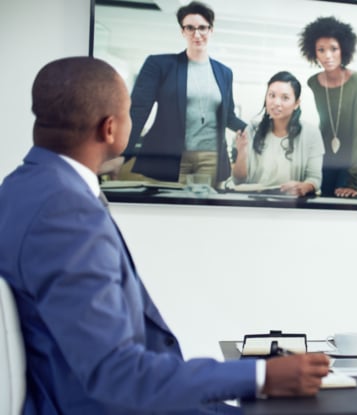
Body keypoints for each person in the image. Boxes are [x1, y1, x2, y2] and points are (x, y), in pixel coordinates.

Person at [0, 56, 329, 414]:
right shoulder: (64, 210)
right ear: (111, 128)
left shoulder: (23, 187)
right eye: (130, 112)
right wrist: (262, 375)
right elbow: (117, 374)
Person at [120, 1, 246, 187]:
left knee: (204, 212)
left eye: (202, 28)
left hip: (211, 156)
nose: (197, 34)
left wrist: (256, 129)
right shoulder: (160, 65)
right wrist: (122, 153)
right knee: (168, 211)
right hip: (170, 156)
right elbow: (138, 110)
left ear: (211, 30)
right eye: (190, 28)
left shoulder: (224, 72)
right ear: (182, 31)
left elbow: (228, 116)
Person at [299, 16, 357, 198]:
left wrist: (353, 181)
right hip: (327, 161)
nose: (328, 55)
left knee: (347, 206)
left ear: (343, 50)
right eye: (321, 50)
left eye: (334, 49)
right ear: (314, 53)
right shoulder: (312, 83)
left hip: (356, 162)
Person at [230, 71, 323, 196]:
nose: (276, 102)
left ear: (296, 104)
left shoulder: (311, 134)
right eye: (272, 95)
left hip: (291, 204)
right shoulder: (252, 130)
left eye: (285, 98)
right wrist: (242, 152)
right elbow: (238, 180)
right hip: (255, 203)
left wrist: (303, 187)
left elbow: (315, 179)